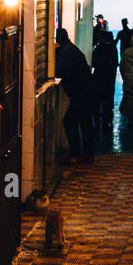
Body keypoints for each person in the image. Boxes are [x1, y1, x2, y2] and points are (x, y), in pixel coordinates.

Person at [55, 26, 94, 163]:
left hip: (81, 93)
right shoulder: (70, 48)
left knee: (69, 122)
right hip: (87, 91)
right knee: (85, 124)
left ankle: (75, 155)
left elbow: (58, 71)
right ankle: (88, 155)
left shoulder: (67, 51)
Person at [91, 29, 118, 139]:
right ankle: (106, 123)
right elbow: (116, 63)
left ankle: (97, 124)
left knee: (97, 104)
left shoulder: (98, 48)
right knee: (108, 103)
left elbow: (93, 63)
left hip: (98, 79)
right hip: (109, 80)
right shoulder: (113, 49)